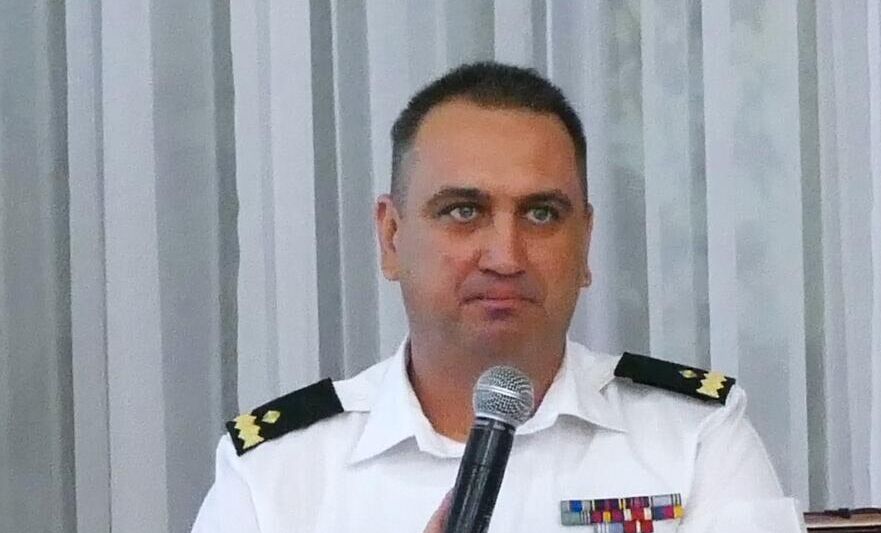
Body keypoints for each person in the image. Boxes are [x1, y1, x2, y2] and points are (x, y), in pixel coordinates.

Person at [191, 61, 805, 532]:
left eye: (542, 214)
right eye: (464, 211)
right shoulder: (274, 475)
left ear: (585, 241)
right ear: (391, 236)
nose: (505, 257)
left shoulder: (694, 439)